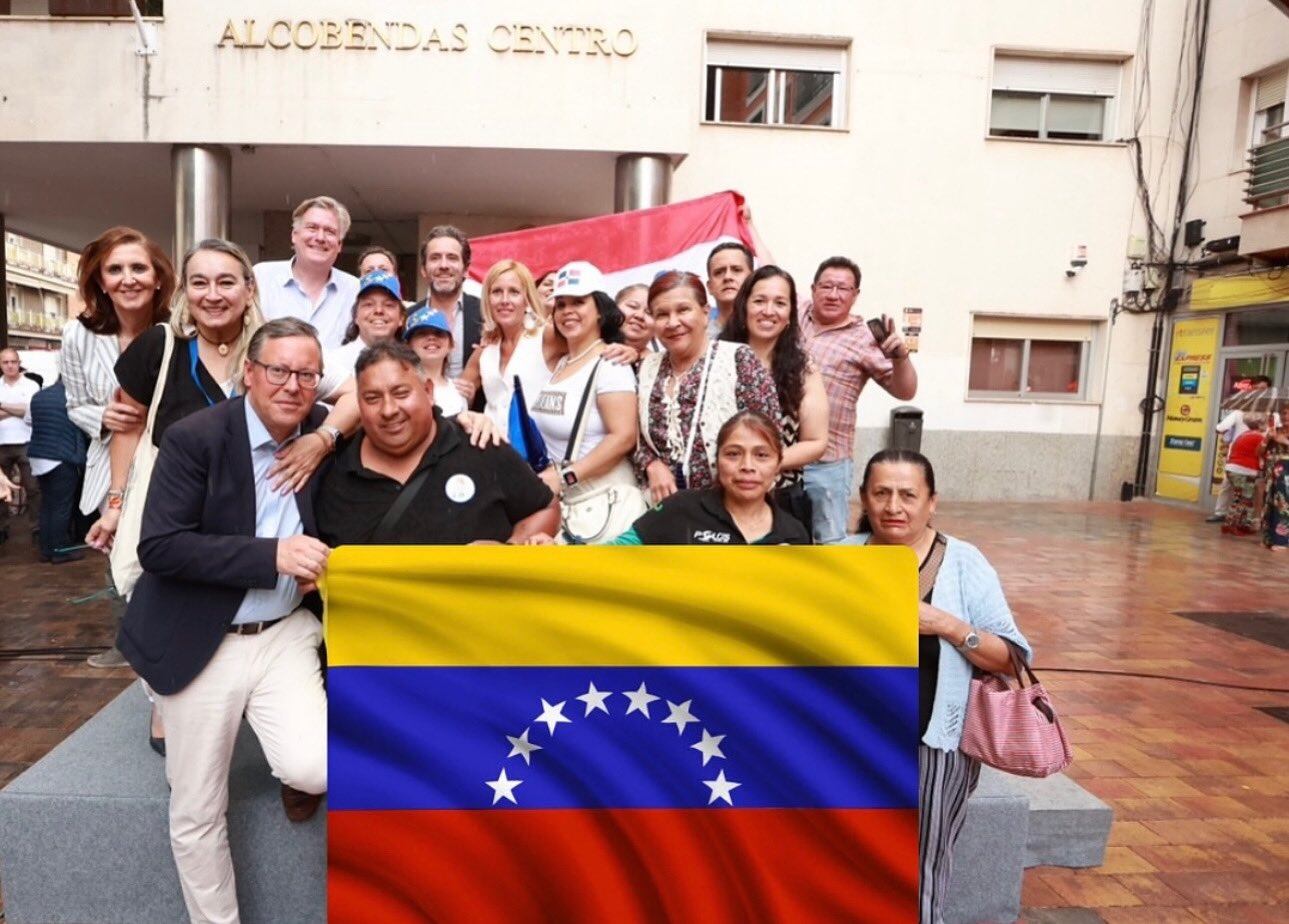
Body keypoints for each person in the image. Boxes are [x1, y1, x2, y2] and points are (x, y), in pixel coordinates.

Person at [116, 318, 329, 924]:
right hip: (203, 636)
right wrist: (271, 556)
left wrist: (472, 418)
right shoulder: (196, 437)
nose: (293, 385)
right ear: (249, 374)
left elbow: (387, 409)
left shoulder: (320, 429)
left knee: (314, 765)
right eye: (279, 371)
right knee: (198, 808)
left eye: (307, 374)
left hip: (284, 633)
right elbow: (159, 547)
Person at [841, 449, 1031, 923]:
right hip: (852, 741)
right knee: (848, 858)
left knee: (920, 861)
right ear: (864, 497)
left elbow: (1011, 657)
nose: (893, 506)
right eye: (881, 493)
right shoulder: (841, 557)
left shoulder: (963, 562)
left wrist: (946, 624)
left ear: (932, 502)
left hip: (932, 745)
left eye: (909, 494)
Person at [61, 226, 177, 666]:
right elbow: (75, 403)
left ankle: (161, 645)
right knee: (117, 554)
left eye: (138, 268)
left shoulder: (176, 331)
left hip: (167, 461)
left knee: (163, 554)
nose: (128, 279)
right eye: (115, 270)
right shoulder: (79, 335)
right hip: (109, 462)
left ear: (158, 277)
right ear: (100, 281)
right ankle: (128, 641)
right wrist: (102, 416)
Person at [316, 342, 558, 546]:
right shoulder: (337, 472)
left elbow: (544, 508)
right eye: (372, 398)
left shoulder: (480, 443)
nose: (388, 410)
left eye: (401, 393)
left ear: (428, 391)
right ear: (358, 402)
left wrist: (511, 547)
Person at [634, 270, 781, 502]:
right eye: (662, 314)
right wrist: (651, 465)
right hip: (662, 510)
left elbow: (769, 438)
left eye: (683, 310)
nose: (673, 323)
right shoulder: (646, 368)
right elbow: (636, 440)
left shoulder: (738, 360)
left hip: (730, 509)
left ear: (704, 313)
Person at [801, 255, 917, 544]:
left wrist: (901, 357)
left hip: (827, 463)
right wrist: (748, 226)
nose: (833, 294)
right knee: (781, 543)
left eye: (843, 288)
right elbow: (769, 268)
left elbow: (905, 391)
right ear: (813, 288)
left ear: (856, 295)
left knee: (828, 545)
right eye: (826, 286)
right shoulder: (796, 314)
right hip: (781, 458)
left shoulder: (865, 339)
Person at [529, 262, 642, 542]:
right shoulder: (562, 362)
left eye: (579, 302)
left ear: (600, 310)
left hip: (601, 503)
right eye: (561, 304)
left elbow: (624, 437)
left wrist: (566, 477)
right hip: (567, 504)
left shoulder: (610, 364)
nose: (568, 311)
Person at [720, 266, 828, 523]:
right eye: (759, 301)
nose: (769, 311)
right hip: (720, 494)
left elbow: (816, 442)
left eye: (780, 303)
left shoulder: (804, 368)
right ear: (744, 307)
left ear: (790, 314)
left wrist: (759, 466)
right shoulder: (716, 359)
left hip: (782, 498)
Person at [609, 410, 810, 545]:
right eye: (733, 454)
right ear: (717, 460)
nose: (747, 466)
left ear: (777, 465)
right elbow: (612, 555)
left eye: (762, 455)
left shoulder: (793, 533)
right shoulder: (681, 508)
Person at [462, 259, 559, 431]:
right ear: (488, 299)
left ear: (527, 299)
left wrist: (622, 350)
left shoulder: (547, 336)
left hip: (540, 453)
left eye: (514, 292)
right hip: (492, 452)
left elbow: (592, 349)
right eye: (497, 292)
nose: (504, 300)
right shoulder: (484, 350)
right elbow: (458, 396)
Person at [253, 195, 360, 349]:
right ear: (294, 235)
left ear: (339, 244)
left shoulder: (355, 290)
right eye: (312, 228)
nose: (320, 237)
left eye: (330, 231)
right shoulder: (261, 277)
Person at [405, 225, 482, 384]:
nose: (444, 265)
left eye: (452, 257)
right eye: (435, 258)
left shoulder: (486, 315)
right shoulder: (406, 318)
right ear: (424, 270)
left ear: (466, 269)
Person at [315, 270, 406, 401]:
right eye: (369, 304)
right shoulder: (332, 362)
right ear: (355, 316)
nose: (379, 311)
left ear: (401, 318)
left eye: (388, 305)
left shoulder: (413, 363)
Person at [26, 375, 89, 563]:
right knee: (61, 506)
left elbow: (28, 421)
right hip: (61, 456)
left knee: (48, 505)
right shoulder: (74, 398)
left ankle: (47, 549)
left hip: (38, 456)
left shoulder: (39, 396)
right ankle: (60, 550)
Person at [1209, 375, 1273, 522]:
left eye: (1263, 389)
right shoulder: (1240, 411)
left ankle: (1256, 519)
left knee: (1257, 489)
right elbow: (1220, 427)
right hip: (1238, 457)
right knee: (1228, 485)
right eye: (1256, 389)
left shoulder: (1272, 413)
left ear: (1269, 390)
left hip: (1260, 456)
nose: (1259, 392)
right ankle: (1221, 513)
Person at [0, 346, 41, 544]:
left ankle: (37, 528)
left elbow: (33, 410)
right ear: (0, 365)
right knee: (0, 491)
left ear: (19, 363)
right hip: (1, 444)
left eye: (13, 362)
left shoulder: (31, 385)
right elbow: (25, 410)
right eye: (5, 362)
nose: (9, 366)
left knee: (33, 488)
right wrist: (20, 409)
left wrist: (2, 406)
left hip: (27, 442)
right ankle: (1, 528)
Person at [404, 307, 468, 417]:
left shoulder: (459, 391)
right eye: (422, 333)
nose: (431, 337)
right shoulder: (401, 389)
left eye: (439, 333)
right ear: (409, 345)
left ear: (451, 344)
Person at [1222, 412, 1267, 536]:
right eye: (1265, 423)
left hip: (1233, 468)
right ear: (1259, 424)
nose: (1266, 425)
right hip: (1243, 470)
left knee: (1238, 498)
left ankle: (1229, 524)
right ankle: (1235, 526)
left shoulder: (1244, 434)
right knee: (1244, 499)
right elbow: (1263, 453)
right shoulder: (1259, 437)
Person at [705, 241, 754, 336]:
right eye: (719, 272)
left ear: (752, 279)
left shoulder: (770, 332)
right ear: (709, 286)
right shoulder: (699, 341)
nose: (727, 277)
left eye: (736, 270)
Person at [1262, 416, 1289, 550]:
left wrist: (1285, 441)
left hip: (1286, 474)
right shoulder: (1274, 431)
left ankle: (1282, 541)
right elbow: (1259, 452)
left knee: (1283, 505)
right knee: (1268, 505)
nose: (1286, 416)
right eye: (1284, 413)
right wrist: (1267, 439)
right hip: (1271, 473)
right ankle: (1268, 538)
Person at [616, 283, 658, 354]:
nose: (640, 315)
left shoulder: (662, 364)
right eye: (633, 306)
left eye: (649, 313)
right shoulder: (592, 348)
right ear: (614, 308)